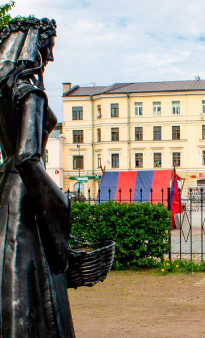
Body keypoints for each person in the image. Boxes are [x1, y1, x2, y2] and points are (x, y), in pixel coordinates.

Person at [0, 18, 75, 336]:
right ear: (32, 46)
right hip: (28, 195)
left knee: (10, 276)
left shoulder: (4, 93)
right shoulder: (32, 94)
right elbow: (30, 158)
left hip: (5, 192)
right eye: (47, 47)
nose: (50, 57)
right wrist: (61, 207)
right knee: (33, 284)